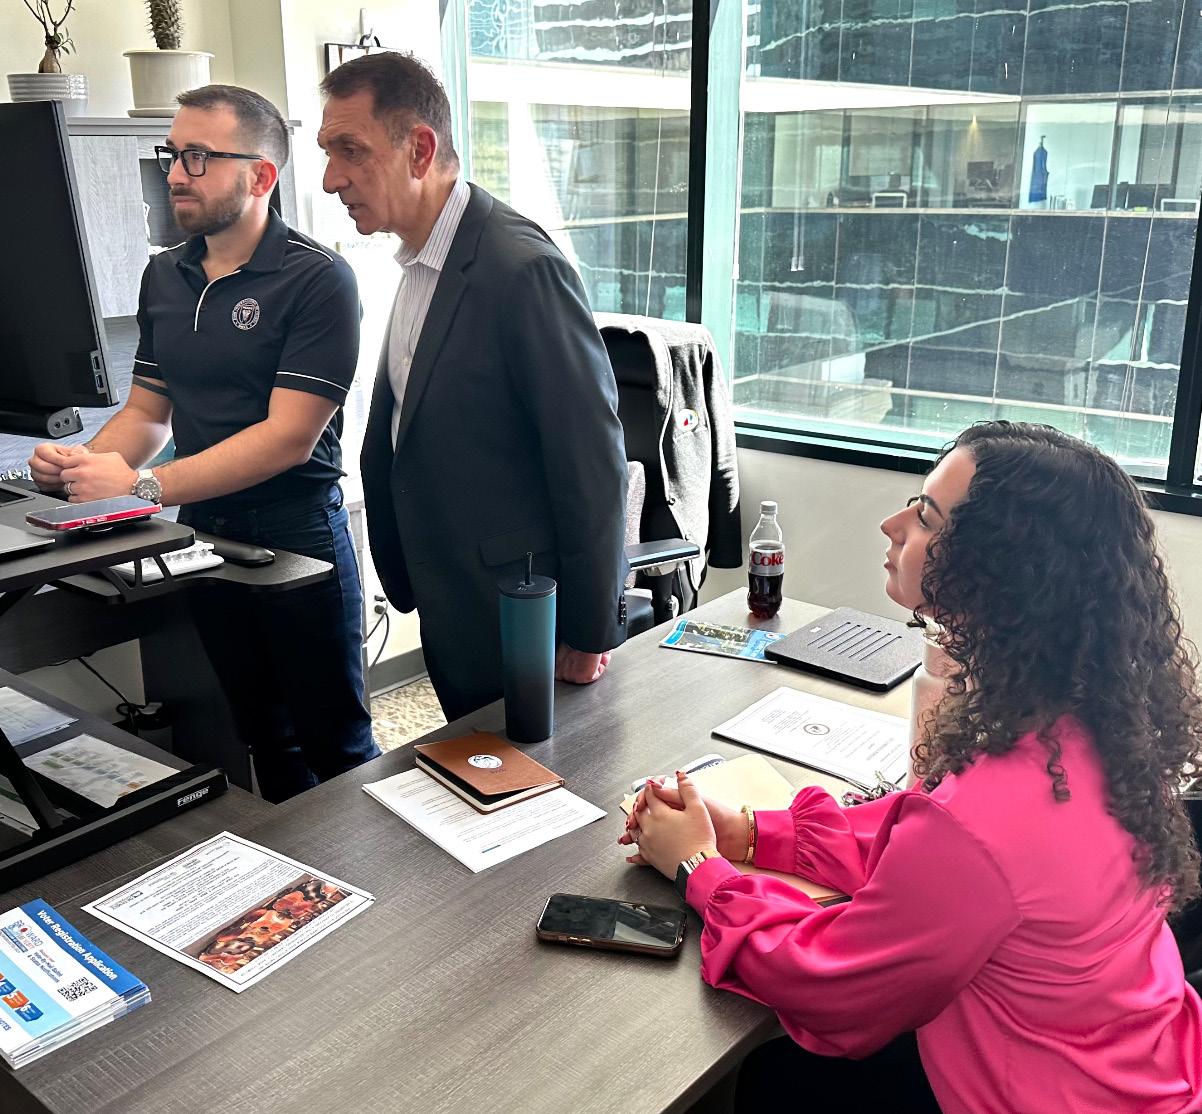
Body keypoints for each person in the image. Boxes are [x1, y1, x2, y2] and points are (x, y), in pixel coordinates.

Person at [621, 421, 1202, 1113]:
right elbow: (919, 846)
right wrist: (750, 832)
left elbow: (831, 981)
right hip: (1139, 1061)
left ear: (998, 572)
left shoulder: (992, 815)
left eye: (925, 517)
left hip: (1057, 1096)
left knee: (772, 1080)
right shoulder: (1089, 724)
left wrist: (700, 868)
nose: (892, 525)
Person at [28, 85, 378, 801]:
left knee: (337, 745)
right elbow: (148, 411)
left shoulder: (318, 279)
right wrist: (90, 465)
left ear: (261, 175)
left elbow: (287, 438)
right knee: (263, 735)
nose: (175, 174)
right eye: (172, 155)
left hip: (297, 535)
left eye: (197, 157)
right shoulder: (166, 274)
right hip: (206, 534)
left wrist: (140, 486)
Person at [317, 51, 629, 721]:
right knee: (474, 768)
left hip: (523, 610)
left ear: (420, 149)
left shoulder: (521, 268)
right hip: (450, 593)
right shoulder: (420, 264)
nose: (330, 178)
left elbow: (591, 459)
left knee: (542, 776)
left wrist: (589, 628)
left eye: (351, 151)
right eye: (328, 153)